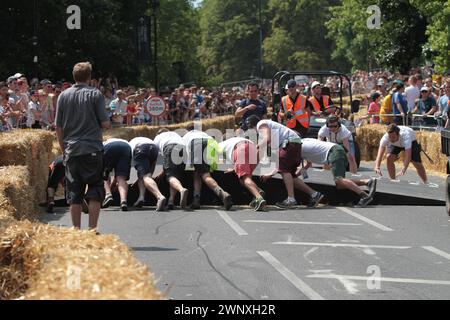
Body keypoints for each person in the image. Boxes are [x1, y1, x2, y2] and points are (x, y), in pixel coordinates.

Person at [55, 62, 111, 231]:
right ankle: (92, 229)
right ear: (89, 77)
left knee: (74, 193)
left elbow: (58, 127)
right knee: (95, 189)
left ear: (74, 76)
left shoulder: (63, 96)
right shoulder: (95, 94)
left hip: (72, 149)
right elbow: (105, 123)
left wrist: (64, 150)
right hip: (92, 148)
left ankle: (76, 231)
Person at [246, 116, 324, 209]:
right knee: (290, 175)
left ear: (252, 126)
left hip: (290, 143)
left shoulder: (261, 124)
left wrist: (256, 146)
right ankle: (314, 194)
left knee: (284, 171)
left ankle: (291, 199)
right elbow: (262, 154)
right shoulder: (267, 130)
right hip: (293, 143)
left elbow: (267, 139)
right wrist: (250, 170)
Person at [301, 138, 377, 208]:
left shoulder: (300, 146)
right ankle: (367, 182)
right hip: (337, 150)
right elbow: (307, 164)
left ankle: (364, 196)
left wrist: (293, 175)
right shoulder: (305, 142)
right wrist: (296, 175)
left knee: (339, 179)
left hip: (334, 152)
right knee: (340, 185)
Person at [183, 123, 233, 210]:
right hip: (211, 143)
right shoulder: (204, 133)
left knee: (205, 175)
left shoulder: (187, 136)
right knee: (197, 173)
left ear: (187, 130)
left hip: (196, 143)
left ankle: (222, 194)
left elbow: (184, 151)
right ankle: (196, 199)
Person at [219, 137, 267, 212]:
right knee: (244, 179)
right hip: (253, 148)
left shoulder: (219, 145)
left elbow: (220, 162)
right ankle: (258, 191)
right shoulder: (234, 140)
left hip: (240, 149)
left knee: (245, 179)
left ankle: (259, 198)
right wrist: (235, 169)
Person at [154, 128, 189, 210]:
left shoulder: (158, 137)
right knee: (175, 176)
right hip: (183, 150)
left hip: (170, 148)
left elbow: (155, 157)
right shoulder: (176, 135)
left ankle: (181, 190)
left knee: (170, 176)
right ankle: (171, 201)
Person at [129, 136, 167, 211]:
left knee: (145, 177)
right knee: (142, 175)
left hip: (140, 149)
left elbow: (127, 162)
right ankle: (141, 198)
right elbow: (153, 164)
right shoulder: (148, 140)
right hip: (154, 148)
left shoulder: (130, 144)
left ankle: (159, 196)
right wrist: (150, 175)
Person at [102, 138, 132, 211]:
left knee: (104, 173)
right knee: (121, 177)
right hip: (126, 147)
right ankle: (123, 200)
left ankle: (108, 194)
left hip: (110, 147)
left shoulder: (105, 142)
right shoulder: (125, 141)